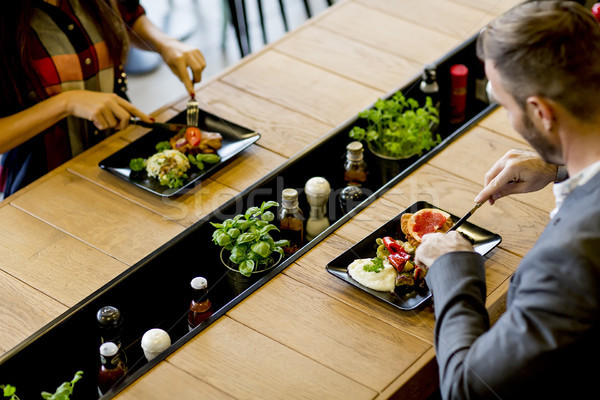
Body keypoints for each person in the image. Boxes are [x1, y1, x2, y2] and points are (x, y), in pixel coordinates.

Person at [414, 1, 600, 398]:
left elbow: (467, 389)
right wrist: (560, 164)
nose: (511, 121)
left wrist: (454, 270)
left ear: (541, 112)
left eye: (505, 106)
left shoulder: (569, 260)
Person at [0, 0, 206, 197]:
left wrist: (164, 43)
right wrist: (66, 103)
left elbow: (128, 15)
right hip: (43, 186)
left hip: (120, 161)